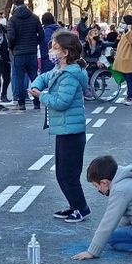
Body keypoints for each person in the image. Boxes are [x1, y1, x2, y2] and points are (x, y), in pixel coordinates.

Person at [29, 31, 90, 223]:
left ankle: (81, 208)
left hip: (71, 131)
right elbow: (44, 77)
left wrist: (40, 96)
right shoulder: (59, 70)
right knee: (61, 173)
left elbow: (61, 102)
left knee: (68, 175)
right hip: (63, 129)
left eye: (55, 47)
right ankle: (74, 206)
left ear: (65, 52)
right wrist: (36, 85)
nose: (51, 51)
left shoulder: (70, 75)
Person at [7, 0, 43, 110]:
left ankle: (21, 103)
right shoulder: (34, 17)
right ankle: (36, 102)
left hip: (18, 53)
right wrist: (35, 43)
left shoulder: (13, 20)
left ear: (14, 5)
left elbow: (11, 38)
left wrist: (12, 48)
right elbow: (41, 34)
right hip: (32, 52)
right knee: (34, 77)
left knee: (19, 78)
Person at [113, 15, 132, 106]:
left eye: (124, 22)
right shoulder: (126, 31)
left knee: (130, 79)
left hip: (131, 59)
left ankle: (131, 98)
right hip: (125, 59)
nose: (122, 24)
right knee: (128, 79)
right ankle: (129, 95)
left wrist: (129, 30)